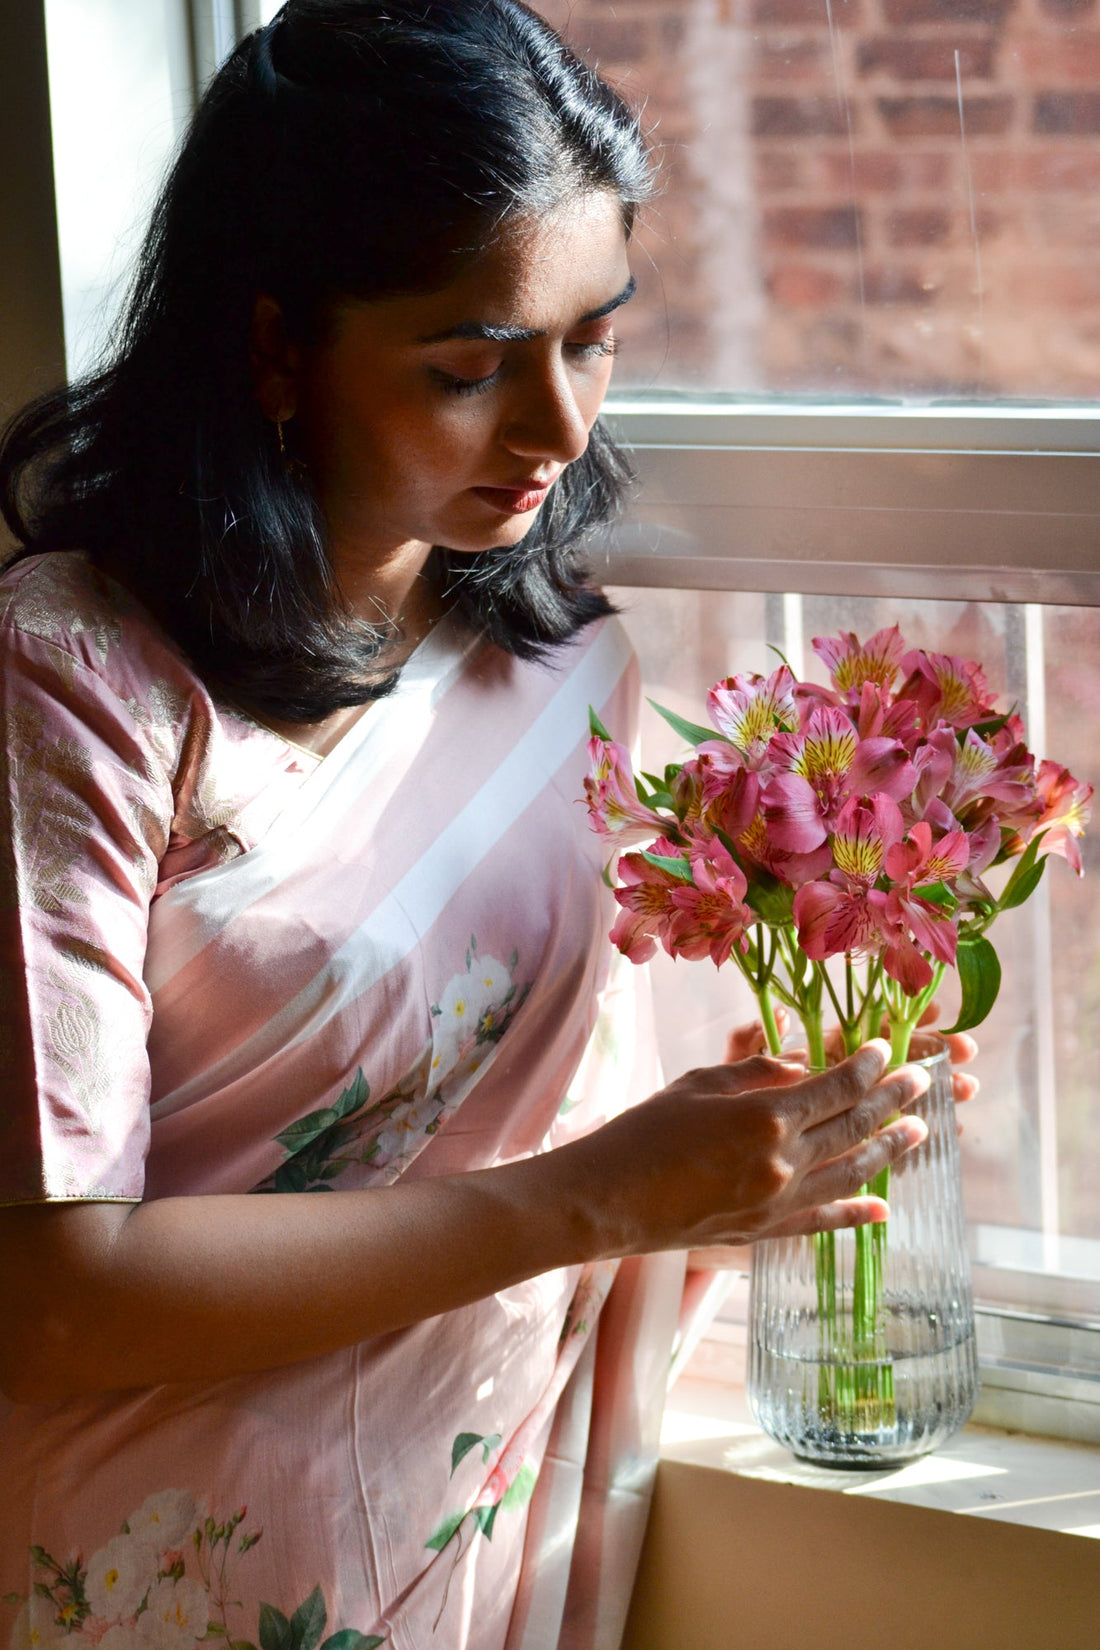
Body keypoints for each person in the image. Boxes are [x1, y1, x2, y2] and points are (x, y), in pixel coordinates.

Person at [0, 4, 965, 1646]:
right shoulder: (81, 676)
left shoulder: (567, 671)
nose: (561, 430)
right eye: (468, 368)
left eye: (594, 338)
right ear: (275, 347)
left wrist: (770, 1124)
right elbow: (52, 1295)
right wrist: (602, 1195)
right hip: (148, 1565)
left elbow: (552, 1118)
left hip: (481, 1540)